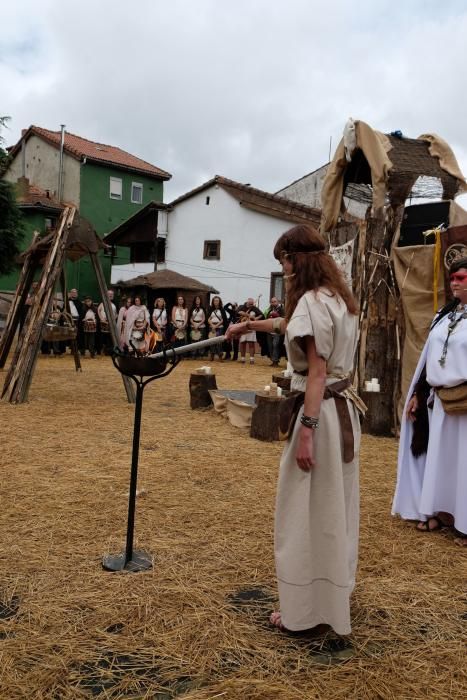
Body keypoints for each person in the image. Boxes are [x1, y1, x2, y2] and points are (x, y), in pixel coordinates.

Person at [226, 224, 362, 636]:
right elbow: (291, 326)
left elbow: (316, 372)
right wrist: (250, 327)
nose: (283, 270)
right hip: (341, 414)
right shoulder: (337, 298)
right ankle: (328, 602)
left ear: (296, 259)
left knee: (304, 512)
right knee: (332, 510)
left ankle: (303, 612)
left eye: (283, 261)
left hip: (319, 416)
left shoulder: (311, 303)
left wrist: (306, 430)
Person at [392, 256, 467, 547]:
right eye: (452, 278)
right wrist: (418, 394)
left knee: (463, 463)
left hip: (465, 403)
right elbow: (427, 361)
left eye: (461, 277)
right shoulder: (444, 315)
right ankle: (438, 513)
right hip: (441, 401)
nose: (454, 282)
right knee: (439, 462)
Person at [237, 297, 263, 364]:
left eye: (252, 304)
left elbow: (261, 315)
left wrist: (256, 318)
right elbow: (239, 312)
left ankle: (252, 359)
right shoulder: (241, 306)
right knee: (242, 343)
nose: (251, 305)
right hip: (242, 327)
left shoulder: (255, 308)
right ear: (247, 302)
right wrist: (249, 315)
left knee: (251, 343)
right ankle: (242, 359)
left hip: (251, 327)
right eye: (250, 304)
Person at [264, 296, 285, 366]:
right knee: (270, 346)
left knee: (275, 345)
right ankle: (273, 359)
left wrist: (277, 315)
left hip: (277, 330)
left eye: (274, 301)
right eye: (272, 302)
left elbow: (284, 318)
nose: (273, 303)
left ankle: (275, 361)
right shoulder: (269, 310)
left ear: (277, 302)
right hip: (269, 330)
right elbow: (266, 318)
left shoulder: (281, 309)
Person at [207, 295, 228, 361]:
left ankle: (220, 355)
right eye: (215, 301)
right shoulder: (211, 309)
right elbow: (208, 319)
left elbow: (223, 320)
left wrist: (216, 326)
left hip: (219, 327)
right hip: (212, 327)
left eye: (217, 301)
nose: (216, 302)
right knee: (212, 341)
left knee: (219, 342)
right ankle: (212, 355)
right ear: (213, 302)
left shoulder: (222, 310)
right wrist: (212, 325)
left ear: (219, 302)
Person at [97, 290, 117, 355]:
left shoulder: (114, 305)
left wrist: (113, 319)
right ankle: (101, 350)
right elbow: (98, 310)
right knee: (102, 337)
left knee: (109, 338)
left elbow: (116, 314)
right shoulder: (102, 303)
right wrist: (101, 319)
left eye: (112, 294)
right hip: (103, 323)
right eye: (109, 294)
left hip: (111, 323)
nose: (111, 295)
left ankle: (108, 351)